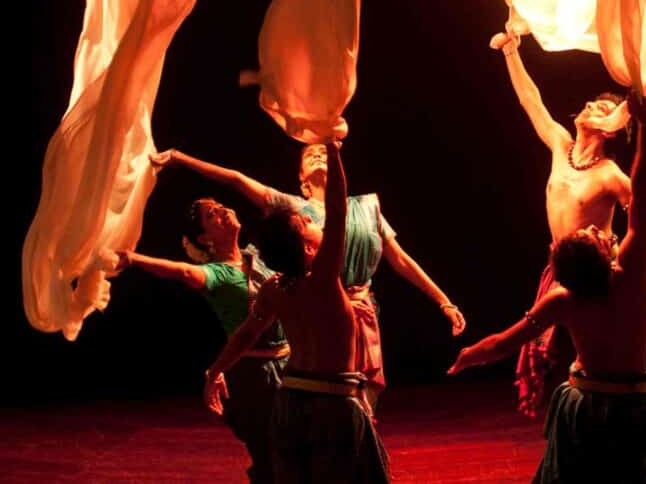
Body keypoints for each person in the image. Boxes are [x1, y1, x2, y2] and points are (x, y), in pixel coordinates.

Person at [449, 93, 646, 483]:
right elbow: (643, 194)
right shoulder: (627, 281)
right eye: (594, 235)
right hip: (626, 404)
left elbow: (503, 342)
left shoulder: (562, 300)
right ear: (603, 253)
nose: (598, 233)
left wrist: (469, 356)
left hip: (584, 399)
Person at [151, 143, 464, 409]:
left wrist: (443, 301)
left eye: (324, 152)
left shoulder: (367, 207)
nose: (318, 155)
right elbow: (236, 180)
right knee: (327, 398)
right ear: (301, 180)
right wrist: (180, 159)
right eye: (309, 154)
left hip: (361, 312)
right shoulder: (295, 212)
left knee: (364, 401)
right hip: (316, 313)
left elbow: (400, 260)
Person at [491, 29, 646, 417]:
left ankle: (602, 410)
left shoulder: (610, 175)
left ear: (612, 129)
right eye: (590, 103)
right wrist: (510, 51)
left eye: (602, 109)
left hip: (599, 275)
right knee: (549, 352)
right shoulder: (560, 146)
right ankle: (574, 412)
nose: (590, 105)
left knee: (595, 353)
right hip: (561, 269)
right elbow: (530, 100)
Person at [203, 142, 389, 483]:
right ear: (308, 247)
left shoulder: (275, 289)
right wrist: (333, 151)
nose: (313, 220)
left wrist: (214, 371)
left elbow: (245, 334)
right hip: (333, 405)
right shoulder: (324, 282)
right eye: (306, 222)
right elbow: (337, 208)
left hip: (289, 401)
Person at [115, 198, 287, 484]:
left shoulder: (256, 256)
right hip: (254, 375)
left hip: (291, 363)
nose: (221, 209)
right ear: (205, 239)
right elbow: (182, 271)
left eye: (220, 205)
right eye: (211, 215)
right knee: (269, 453)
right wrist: (133, 259)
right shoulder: (216, 273)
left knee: (296, 448)